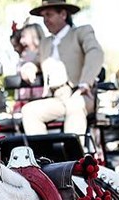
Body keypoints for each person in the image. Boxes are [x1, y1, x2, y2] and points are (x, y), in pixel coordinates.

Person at [20, 0, 104, 135]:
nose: (45, 20)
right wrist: (28, 67)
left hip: (81, 94)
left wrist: (85, 82)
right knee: (29, 110)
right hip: (57, 98)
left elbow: (95, 52)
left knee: (74, 106)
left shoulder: (81, 33)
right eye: (43, 17)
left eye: (49, 15)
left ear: (63, 14)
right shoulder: (45, 43)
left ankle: (75, 156)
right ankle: (42, 155)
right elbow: (35, 61)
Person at [11, 23, 45, 113]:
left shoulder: (44, 53)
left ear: (34, 36)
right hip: (25, 98)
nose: (21, 41)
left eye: (24, 37)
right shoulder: (23, 57)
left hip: (41, 97)